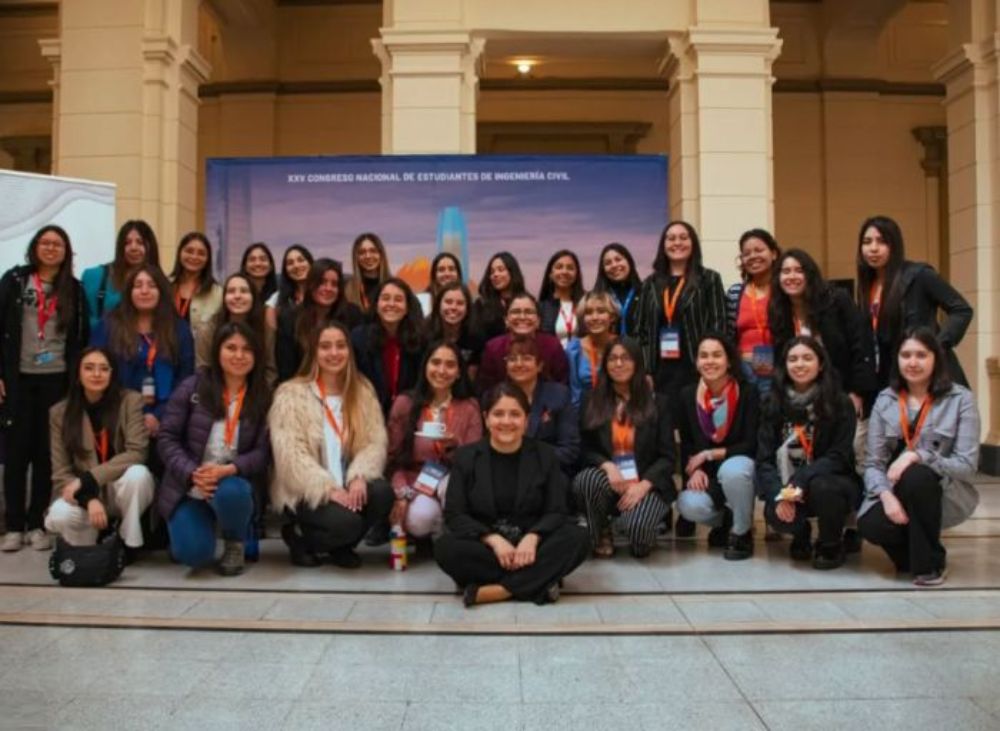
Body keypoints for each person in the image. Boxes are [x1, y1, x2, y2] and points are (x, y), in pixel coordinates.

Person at [434, 382, 590, 606]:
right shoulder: (466, 457)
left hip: (532, 546)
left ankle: (499, 590)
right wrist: (493, 540)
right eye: (498, 414)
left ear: (526, 420)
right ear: (487, 419)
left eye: (515, 414)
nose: (506, 421)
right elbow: (456, 515)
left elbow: (556, 510)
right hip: (487, 547)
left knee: (579, 537)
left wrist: (532, 537)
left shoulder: (545, 455)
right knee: (445, 547)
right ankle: (538, 583)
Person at [859, 327, 980, 587]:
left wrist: (919, 455)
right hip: (895, 488)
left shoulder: (961, 400)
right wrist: (886, 496)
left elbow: (968, 467)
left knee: (917, 475)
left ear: (936, 358)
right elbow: (873, 464)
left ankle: (929, 565)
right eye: (906, 355)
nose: (912, 362)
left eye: (921, 355)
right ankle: (918, 554)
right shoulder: (886, 400)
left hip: (941, 489)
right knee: (870, 524)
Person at [269, 322, 394, 569]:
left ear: (350, 351)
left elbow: (374, 441)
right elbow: (292, 458)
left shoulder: (362, 390)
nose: (334, 353)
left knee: (382, 493)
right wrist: (329, 490)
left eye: (340, 346)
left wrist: (359, 475)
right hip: (308, 490)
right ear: (314, 352)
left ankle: (340, 546)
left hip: (347, 484)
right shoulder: (291, 395)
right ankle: (301, 538)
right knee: (348, 524)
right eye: (325, 347)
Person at [157, 322, 272, 575]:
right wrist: (192, 473)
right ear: (217, 351)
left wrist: (229, 469)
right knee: (194, 555)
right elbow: (167, 438)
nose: (239, 356)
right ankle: (189, 531)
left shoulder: (263, 395)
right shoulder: (193, 387)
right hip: (190, 484)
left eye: (247, 350)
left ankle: (234, 540)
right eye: (231, 348)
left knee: (232, 493)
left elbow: (264, 453)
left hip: (231, 481)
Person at [0, 225, 88, 552]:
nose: (51, 249)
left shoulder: (73, 291)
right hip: (18, 379)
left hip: (56, 380)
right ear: (35, 247)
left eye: (58, 244)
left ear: (66, 252)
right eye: (45, 243)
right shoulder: (14, 281)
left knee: (45, 454)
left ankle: (37, 523)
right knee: (15, 452)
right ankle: (13, 525)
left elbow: (79, 339)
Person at [756, 336, 861, 570]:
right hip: (788, 486)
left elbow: (839, 456)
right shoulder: (772, 402)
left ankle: (830, 544)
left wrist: (800, 481)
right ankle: (800, 534)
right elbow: (764, 459)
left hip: (831, 482)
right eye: (792, 359)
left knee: (824, 487)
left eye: (807, 358)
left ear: (821, 364)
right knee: (776, 514)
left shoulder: (840, 403)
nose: (799, 364)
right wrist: (779, 495)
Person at [45, 347, 154, 555]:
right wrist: (88, 498)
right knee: (59, 514)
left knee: (138, 475)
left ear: (112, 374)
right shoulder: (60, 413)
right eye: (89, 368)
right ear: (78, 373)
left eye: (104, 369)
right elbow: (61, 473)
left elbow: (137, 452)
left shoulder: (130, 401)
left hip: (118, 490)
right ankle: (88, 544)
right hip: (85, 497)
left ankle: (127, 542)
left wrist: (89, 479)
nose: (96, 374)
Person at [573, 338, 674, 558]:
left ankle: (640, 522)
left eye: (625, 358)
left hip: (645, 484)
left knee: (639, 542)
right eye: (613, 359)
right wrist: (607, 466)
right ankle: (601, 530)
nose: (618, 364)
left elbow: (667, 457)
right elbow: (585, 448)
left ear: (637, 363)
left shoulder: (658, 402)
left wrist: (644, 485)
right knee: (586, 480)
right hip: (610, 482)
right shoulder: (591, 400)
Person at [856, 215, 973, 387]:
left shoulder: (918, 275)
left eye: (881, 241)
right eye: (867, 242)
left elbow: (962, 310)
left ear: (894, 246)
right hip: (893, 378)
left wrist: (936, 346)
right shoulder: (867, 285)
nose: (873, 248)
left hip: (931, 377)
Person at [674, 333, 759, 559]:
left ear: (729, 360)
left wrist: (709, 454)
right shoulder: (686, 395)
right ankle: (727, 522)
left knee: (732, 470)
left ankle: (742, 533)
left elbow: (751, 444)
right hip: (708, 475)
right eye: (704, 356)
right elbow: (687, 443)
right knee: (687, 505)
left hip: (740, 469)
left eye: (716, 355)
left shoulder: (748, 393)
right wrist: (695, 470)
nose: (710, 361)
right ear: (696, 362)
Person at [386, 342, 482, 539]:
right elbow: (392, 459)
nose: (441, 370)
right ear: (425, 367)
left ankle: (459, 536)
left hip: (453, 480)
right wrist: (401, 494)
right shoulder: (405, 404)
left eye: (450, 365)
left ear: (458, 372)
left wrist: (455, 447)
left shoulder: (470, 407)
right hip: (416, 483)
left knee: (452, 486)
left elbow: (475, 462)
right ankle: (438, 530)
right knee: (419, 519)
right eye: (435, 363)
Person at [90, 264, 195, 439]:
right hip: (117, 417)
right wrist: (129, 415)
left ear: (161, 291)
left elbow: (185, 379)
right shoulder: (109, 325)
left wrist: (158, 415)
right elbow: (95, 371)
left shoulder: (178, 329)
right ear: (129, 292)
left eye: (152, 286)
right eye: (138, 286)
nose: (144, 291)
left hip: (166, 420)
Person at [770, 248, 876, 419]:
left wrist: (857, 392)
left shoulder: (836, 300)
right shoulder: (778, 310)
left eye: (799, 271)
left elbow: (861, 344)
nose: (791, 277)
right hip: (803, 397)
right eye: (786, 271)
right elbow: (781, 358)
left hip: (843, 391)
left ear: (810, 274)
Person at [637, 220, 726, 402]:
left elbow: (719, 324)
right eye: (671, 239)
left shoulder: (709, 279)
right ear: (663, 246)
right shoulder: (650, 284)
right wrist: (646, 371)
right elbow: (641, 330)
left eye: (683, 238)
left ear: (693, 243)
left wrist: (713, 364)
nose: (677, 243)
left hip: (698, 368)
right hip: (660, 371)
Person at [275, 258, 363, 382]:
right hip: (301, 389)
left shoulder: (353, 315)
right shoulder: (290, 318)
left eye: (334, 284)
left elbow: (358, 363)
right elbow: (286, 369)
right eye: (322, 282)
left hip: (343, 386)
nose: (328, 288)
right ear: (311, 285)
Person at [503, 335, 579, 475]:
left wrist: (529, 460)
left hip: (550, 472)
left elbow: (569, 450)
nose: (519, 364)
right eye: (512, 359)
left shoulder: (559, 395)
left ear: (539, 366)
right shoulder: (496, 397)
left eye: (526, 358)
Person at [351, 278, 426, 416]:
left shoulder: (420, 340)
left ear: (407, 307)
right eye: (385, 298)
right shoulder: (358, 338)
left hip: (407, 416)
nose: (391, 304)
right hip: (367, 415)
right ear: (377, 304)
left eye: (398, 299)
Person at [476, 292, 569, 393]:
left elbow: (562, 385)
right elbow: (486, 390)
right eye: (516, 312)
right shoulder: (493, 348)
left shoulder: (552, 345)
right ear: (506, 320)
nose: (522, 317)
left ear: (538, 321)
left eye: (529, 312)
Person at [196, 273, 277, 387]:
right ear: (224, 298)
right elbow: (203, 370)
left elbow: (270, 370)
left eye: (244, 291)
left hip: (257, 393)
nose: (237, 296)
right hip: (215, 392)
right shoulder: (208, 329)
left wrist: (258, 397)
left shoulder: (265, 329)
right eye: (231, 291)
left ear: (253, 296)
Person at [726, 228, 781, 395]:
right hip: (744, 369)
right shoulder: (735, 292)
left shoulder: (784, 290)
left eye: (759, 250)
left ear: (773, 253)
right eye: (747, 253)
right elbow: (729, 333)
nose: (753, 257)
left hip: (779, 367)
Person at [81, 219, 160, 332]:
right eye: (127, 243)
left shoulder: (161, 283)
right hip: (103, 346)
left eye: (140, 242)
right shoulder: (95, 276)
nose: (133, 248)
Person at [565, 290, 619, 408]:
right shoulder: (573, 349)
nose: (594, 317)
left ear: (612, 317)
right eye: (588, 313)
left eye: (601, 311)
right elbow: (575, 395)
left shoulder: (623, 346)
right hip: (586, 414)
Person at [168, 231, 222, 340]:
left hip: (200, 354)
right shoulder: (164, 285)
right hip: (165, 353)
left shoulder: (218, 293)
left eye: (201, 253)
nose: (194, 257)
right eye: (189, 251)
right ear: (180, 253)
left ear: (208, 259)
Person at [427, 281, 484, 381]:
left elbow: (470, 379)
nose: (453, 307)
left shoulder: (476, 337)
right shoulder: (425, 334)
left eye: (460, 303)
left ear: (468, 308)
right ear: (438, 305)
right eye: (448, 302)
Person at [593, 242, 642, 338]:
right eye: (608, 263)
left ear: (629, 262)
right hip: (608, 351)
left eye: (618, 259)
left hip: (640, 351)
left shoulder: (646, 293)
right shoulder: (597, 297)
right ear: (603, 269)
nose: (614, 265)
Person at [474, 252, 526, 341]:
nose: (495, 275)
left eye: (501, 270)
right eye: (492, 271)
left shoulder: (526, 301)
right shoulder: (481, 304)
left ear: (512, 271)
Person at [538, 249, 585, 347]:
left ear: (577, 274)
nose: (564, 271)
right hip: (553, 360)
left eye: (570, 268)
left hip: (581, 359)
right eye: (559, 267)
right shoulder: (541, 307)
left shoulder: (586, 303)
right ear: (550, 274)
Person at [264, 244, 314, 331]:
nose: (296, 266)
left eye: (301, 260)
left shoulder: (324, 293)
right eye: (290, 263)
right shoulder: (277, 299)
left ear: (310, 263)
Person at [344, 232, 391, 314]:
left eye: (373, 251)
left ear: (381, 254)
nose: (368, 256)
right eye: (362, 252)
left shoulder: (396, 286)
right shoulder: (347, 289)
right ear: (356, 257)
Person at [419, 252, 463, 316]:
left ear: (458, 274)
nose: (447, 274)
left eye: (451, 269)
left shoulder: (466, 300)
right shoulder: (422, 300)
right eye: (441, 270)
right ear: (434, 275)